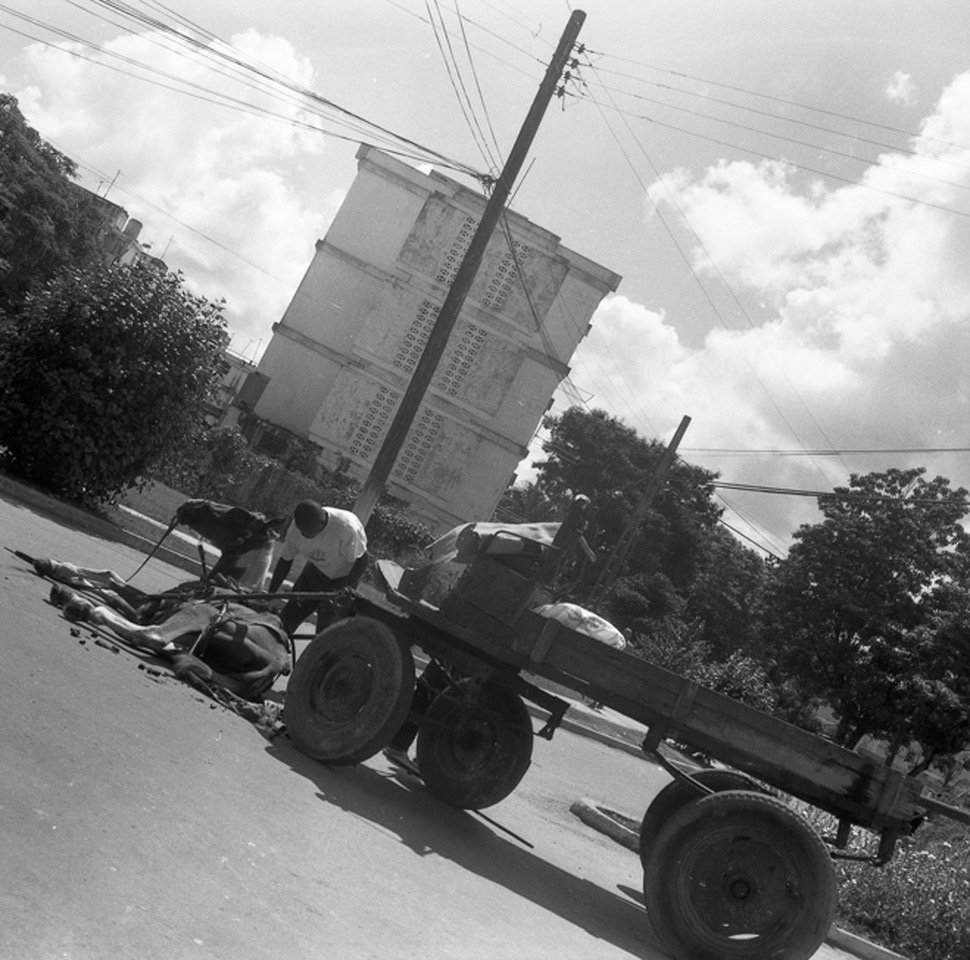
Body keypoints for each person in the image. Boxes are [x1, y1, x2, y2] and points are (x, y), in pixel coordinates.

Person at [268, 500, 369, 636]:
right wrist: (270, 594)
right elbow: (285, 561)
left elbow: (362, 562)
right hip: (315, 570)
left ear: (321, 523)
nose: (303, 535)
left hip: (344, 577)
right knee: (287, 619)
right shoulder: (297, 529)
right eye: (301, 530)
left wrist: (339, 587)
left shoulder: (346, 529)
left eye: (307, 531)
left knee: (326, 631)